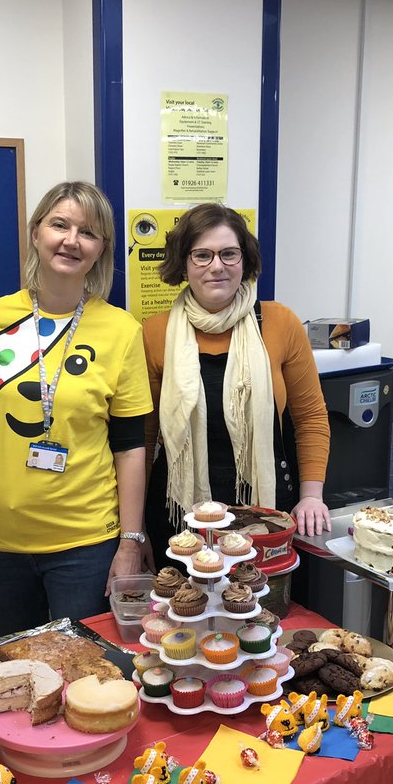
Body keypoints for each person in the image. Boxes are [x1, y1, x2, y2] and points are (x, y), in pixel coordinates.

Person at [0, 181, 152, 636]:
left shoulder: (121, 329)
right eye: (60, 225)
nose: (72, 240)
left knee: (85, 666)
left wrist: (131, 541)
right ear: (36, 233)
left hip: (86, 543)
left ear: (101, 248)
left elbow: (130, 446)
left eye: (88, 232)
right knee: (17, 668)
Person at [142, 203, 331, 546]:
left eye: (229, 254)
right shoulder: (155, 333)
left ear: (245, 261)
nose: (217, 266)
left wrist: (312, 496)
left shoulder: (280, 323)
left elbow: (311, 418)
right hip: (178, 515)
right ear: (183, 264)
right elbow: (144, 436)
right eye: (202, 255)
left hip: (267, 512)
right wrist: (134, 528)